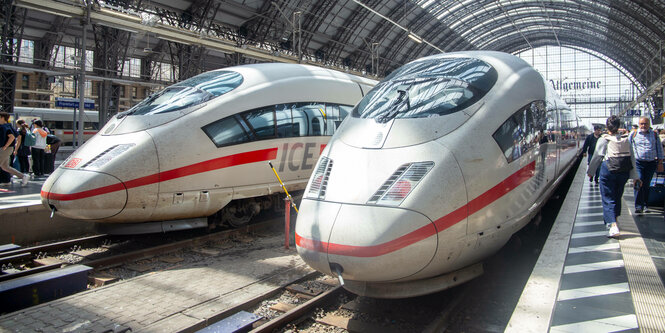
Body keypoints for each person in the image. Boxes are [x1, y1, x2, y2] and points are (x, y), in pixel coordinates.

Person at [588, 115, 641, 238]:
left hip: (608, 171)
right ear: (619, 126)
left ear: (607, 126)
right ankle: (615, 220)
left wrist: (591, 171)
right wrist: (635, 176)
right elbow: (632, 157)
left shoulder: (604, 139)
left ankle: (612, 225)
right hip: (623, 172)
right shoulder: (626, 139)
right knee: (617, 196)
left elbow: (597, 156)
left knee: (608, 197)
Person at [628, 116, 664, 214]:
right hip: (638, 163)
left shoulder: (654, 135)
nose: (644, 125)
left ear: (649, 124)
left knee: (646, 184)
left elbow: (659, 149)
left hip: (651, 163)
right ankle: (639, 206)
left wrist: (660, 163)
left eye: (646, 123)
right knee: (639, 182)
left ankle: (645, 204)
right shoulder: (633, 134)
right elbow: (628, 148)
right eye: (642, 124)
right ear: (639, 124)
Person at [0, 112, 29, 186]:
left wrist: (5, 146)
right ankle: (23, 176)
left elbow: (12, 137)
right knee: (5, 166)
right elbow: (17, 136)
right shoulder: (9, 126)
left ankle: (23, 176)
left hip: (5, 149)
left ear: (2, 117)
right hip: (8, 149)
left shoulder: (4, 127)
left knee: (3, 166)